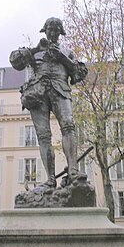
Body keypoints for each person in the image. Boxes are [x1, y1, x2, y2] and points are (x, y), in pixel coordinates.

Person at [10, 17, 88, 188]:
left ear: (60, 32)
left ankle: (73, 170)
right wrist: (36, 48)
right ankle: (50, 179)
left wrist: (62, 58)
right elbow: (15, 61)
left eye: (56, 30)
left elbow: (80, 73)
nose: (52, 33)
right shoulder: (35, 51)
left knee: (68, 126)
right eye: (49, 30)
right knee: (44, 136)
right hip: (38, 94)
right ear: (44, 31)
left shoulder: (67, 51)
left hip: (61, 89)